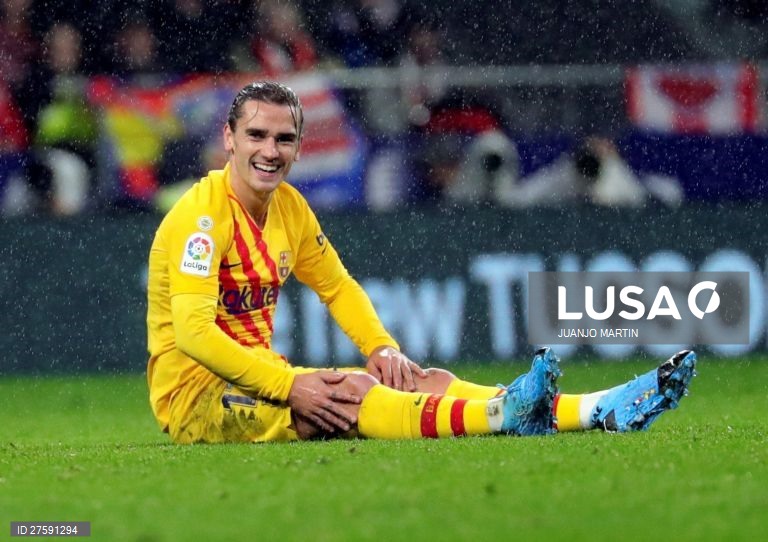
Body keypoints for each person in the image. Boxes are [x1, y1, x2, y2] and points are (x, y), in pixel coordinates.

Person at [146, 81, 696, 444]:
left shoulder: (289, 207)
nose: (270, 150)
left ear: (298, 145)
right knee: (353, 397)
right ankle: (501, 417)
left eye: (284, 138)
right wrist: (291, 386)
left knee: (421, 379)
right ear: (229, 139)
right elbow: (195, 335)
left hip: (255, 378)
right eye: (257, 136)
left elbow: (336, 286)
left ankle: (598, 407)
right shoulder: (201, 220)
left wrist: (381, 347)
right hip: (197, 399)